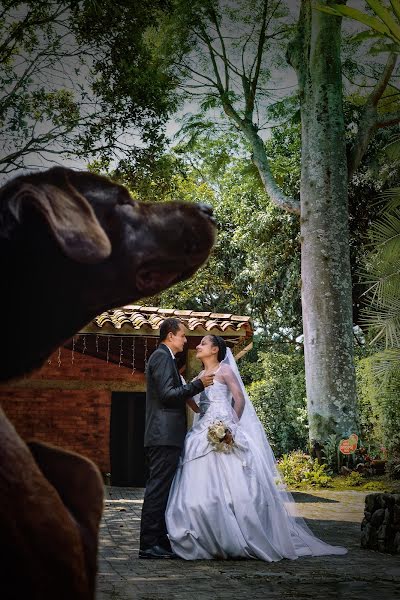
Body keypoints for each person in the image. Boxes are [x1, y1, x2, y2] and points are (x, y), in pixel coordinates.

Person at [166, 335, 347, 561]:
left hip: (225, 428)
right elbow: (198, 407)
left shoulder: (225, 371)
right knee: (199, 486)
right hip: (203, 430)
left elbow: (239, 399)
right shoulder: (200, 376)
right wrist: (185, 391)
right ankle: (207, 535)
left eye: (203, 343)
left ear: (214, 349)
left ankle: (242, 533)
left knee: (238, 488)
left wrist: (230, 426)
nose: (198, 346)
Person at [139, 318, 214, 559]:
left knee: (163, 491)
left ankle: (159, 542)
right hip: (163, 435)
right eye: (182, 336)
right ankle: (148, 545)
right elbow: (168, 395)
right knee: (157, 490)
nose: (185, 340)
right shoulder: (161, 357)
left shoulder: (166, 358)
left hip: (166, 435)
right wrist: (197, 384)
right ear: (171, 336)